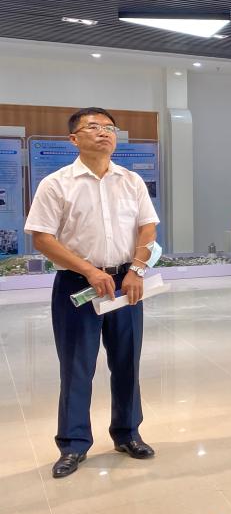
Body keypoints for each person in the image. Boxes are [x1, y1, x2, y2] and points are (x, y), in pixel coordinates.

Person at [25, 107, 160, 478]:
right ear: (74, 138)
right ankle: (73, 444)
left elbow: (148, 228)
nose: (104, 133)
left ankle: (128, 433)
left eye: (110, 127)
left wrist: (136, 269)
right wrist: (88, 270)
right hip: (78, 286)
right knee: (77, 367)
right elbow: (42, 238)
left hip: (125, 284)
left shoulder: (131, 181)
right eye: (94, 127)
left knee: (127, 362)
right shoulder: (56, 184)